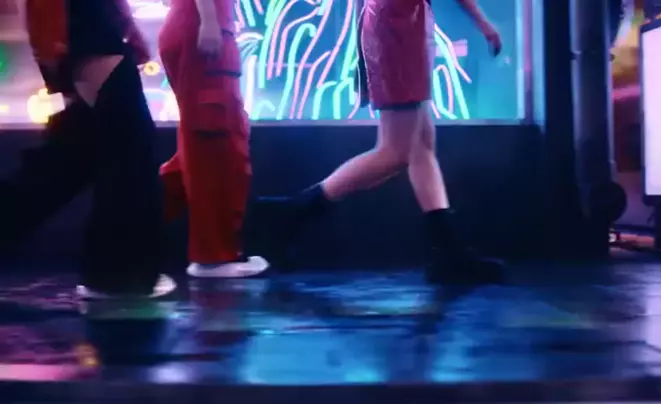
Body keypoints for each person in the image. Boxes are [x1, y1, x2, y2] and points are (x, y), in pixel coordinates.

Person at [256, 0, 505, 285]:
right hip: (399, 24)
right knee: (396, 151)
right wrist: (482, 22)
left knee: (421, 144)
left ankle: (449, 252)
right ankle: (290, 213)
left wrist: (363, 58)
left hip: (398, 22)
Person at [0, 0, 175, 299]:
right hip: (85, 24)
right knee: (126, 147)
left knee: (74, 155)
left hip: (84, 25)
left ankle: (117, 274)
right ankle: (119, 276)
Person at [158, 0, 269, 278]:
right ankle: (212, 256)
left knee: (201, 145)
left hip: (198, 23)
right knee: (213, 142)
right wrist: (208, 20)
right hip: (203, 27)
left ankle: (129, 231)